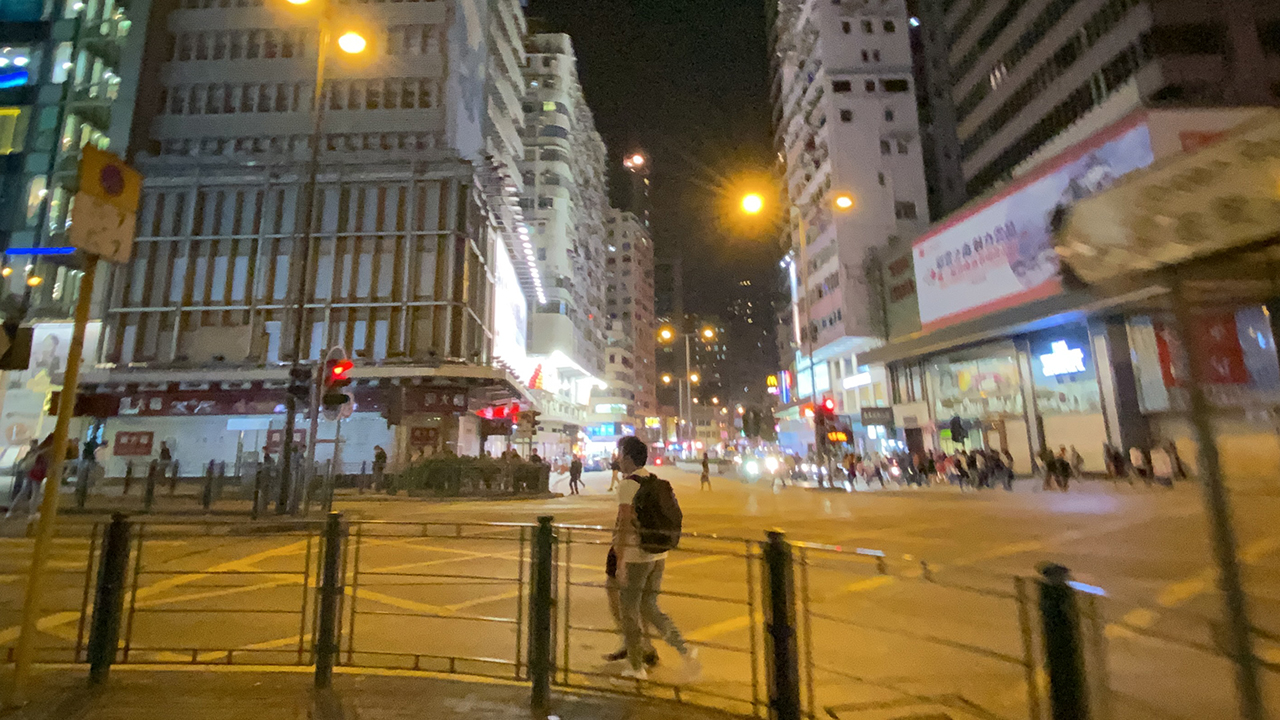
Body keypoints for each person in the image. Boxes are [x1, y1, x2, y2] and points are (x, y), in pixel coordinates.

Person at [611, 436, 699, 681]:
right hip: (658, 553)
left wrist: (619, 560)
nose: (617, 458)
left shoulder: (628, 485)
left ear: (628, 458)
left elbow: (624, 524)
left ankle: (636, 666)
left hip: (637, 556)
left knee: (629, 610)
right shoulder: (651, 479)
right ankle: (685, 650)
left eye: (619, 454)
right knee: (649, 607)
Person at [7, 435, 51, 520]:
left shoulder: (31, 452)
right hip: (37, 474)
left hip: (30, 473)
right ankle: (32, 513)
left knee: (24, 492)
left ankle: (11, 510)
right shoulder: (42, 452)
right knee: (35, 493)